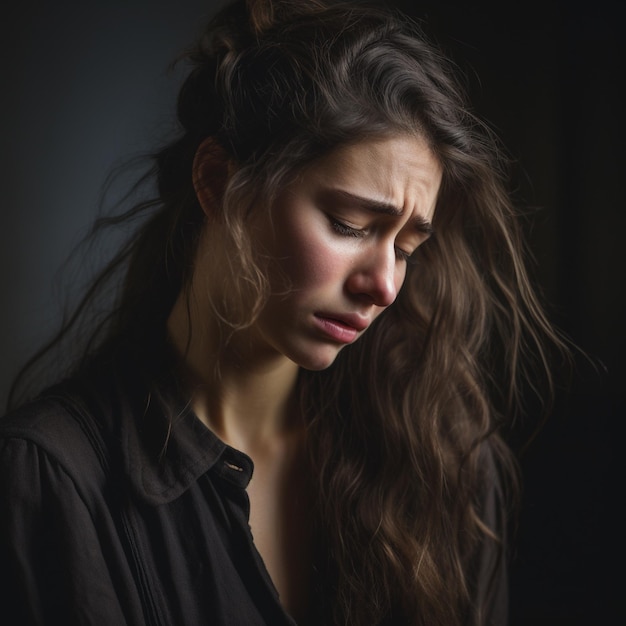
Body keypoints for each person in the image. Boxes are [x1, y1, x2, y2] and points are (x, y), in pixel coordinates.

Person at [0, 1, 568, 624]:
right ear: (217, 182)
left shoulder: (442, 463)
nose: (383, 285)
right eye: (349, 225)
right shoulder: (54, 480)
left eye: (407, 248)